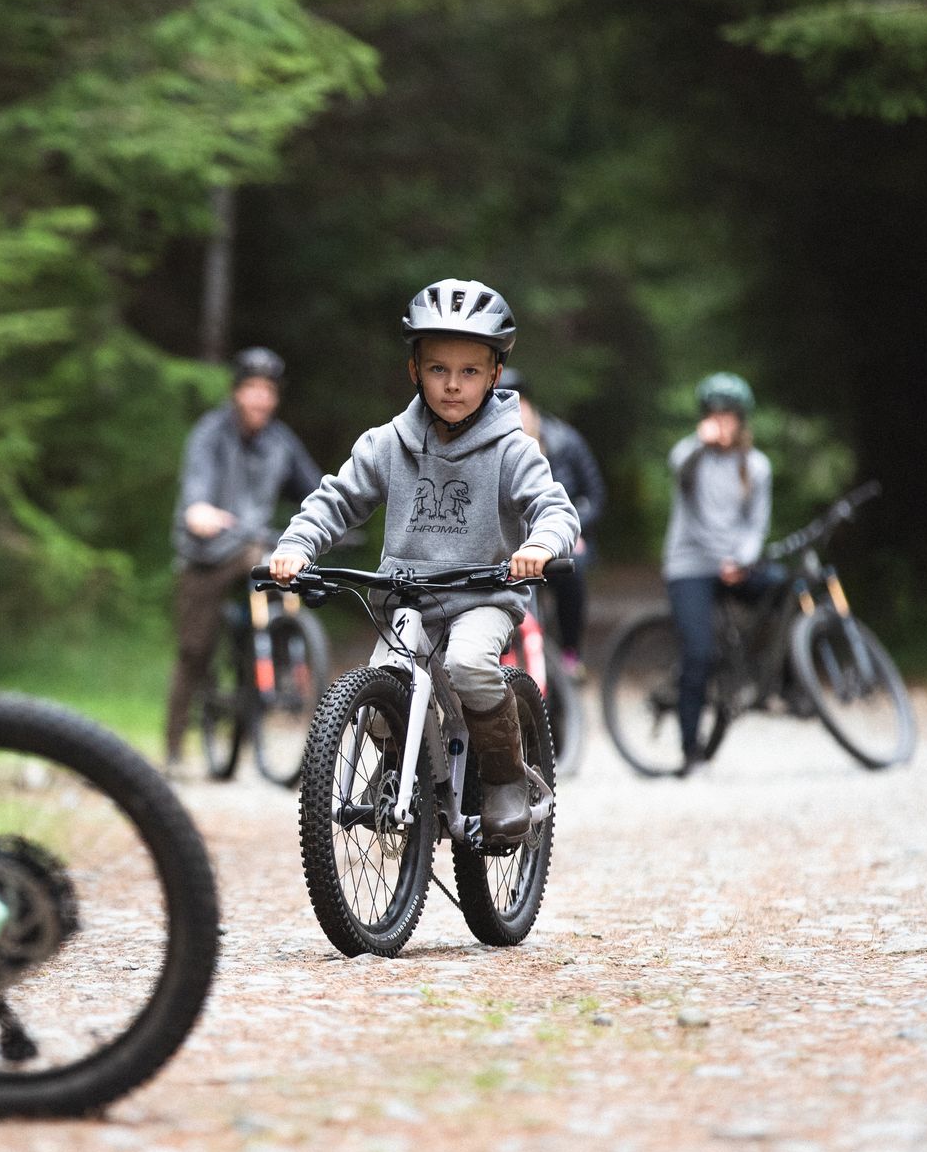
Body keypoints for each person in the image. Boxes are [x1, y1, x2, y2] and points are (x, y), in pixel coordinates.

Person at [268, 280, 578, 841]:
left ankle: (504, 777)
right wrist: (296, 547)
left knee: (468, 664)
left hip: (482, 595)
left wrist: (539, 546)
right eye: (438, 369)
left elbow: (554, 509)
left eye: (469, 371)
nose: (453, 384)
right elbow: (336, 500)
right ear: (414, 370)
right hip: (406, 598)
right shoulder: (388, 443)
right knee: (382, 690)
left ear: (495, 375)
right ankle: (403, 772)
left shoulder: (513, 449)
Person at [164, 347, 323, 775]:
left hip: (254, 548)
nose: (260, 398)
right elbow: (196, 486)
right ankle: (174, 748)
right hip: (206, 553)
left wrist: (335, 519)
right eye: (252, 388)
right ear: (237, 392)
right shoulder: (210, 434)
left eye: (268, 391)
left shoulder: (280, 442)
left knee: (281, 565)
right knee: (194, 651)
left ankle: (281, 650)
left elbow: (315, 490)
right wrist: (199, 510)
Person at [662, 371, 773, 773]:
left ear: (742, 420)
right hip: (690, 566)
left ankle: (780, 679)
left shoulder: (756, 466)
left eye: (729, 416)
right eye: (715, 415)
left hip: (734, 565)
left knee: (784, 588)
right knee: (698, 654)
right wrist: (700, 442)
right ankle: (691, 752)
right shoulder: (689, 457)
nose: (722, 423)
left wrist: (741, 559)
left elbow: (756, 526)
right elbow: (692, 517)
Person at [502, 368, 606, 677]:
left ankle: (571, 651)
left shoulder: (566, 441)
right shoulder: (493, 446)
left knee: (572, 570)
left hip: (563, 536)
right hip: (513, 541)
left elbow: (595, 495)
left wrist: (575, 529)